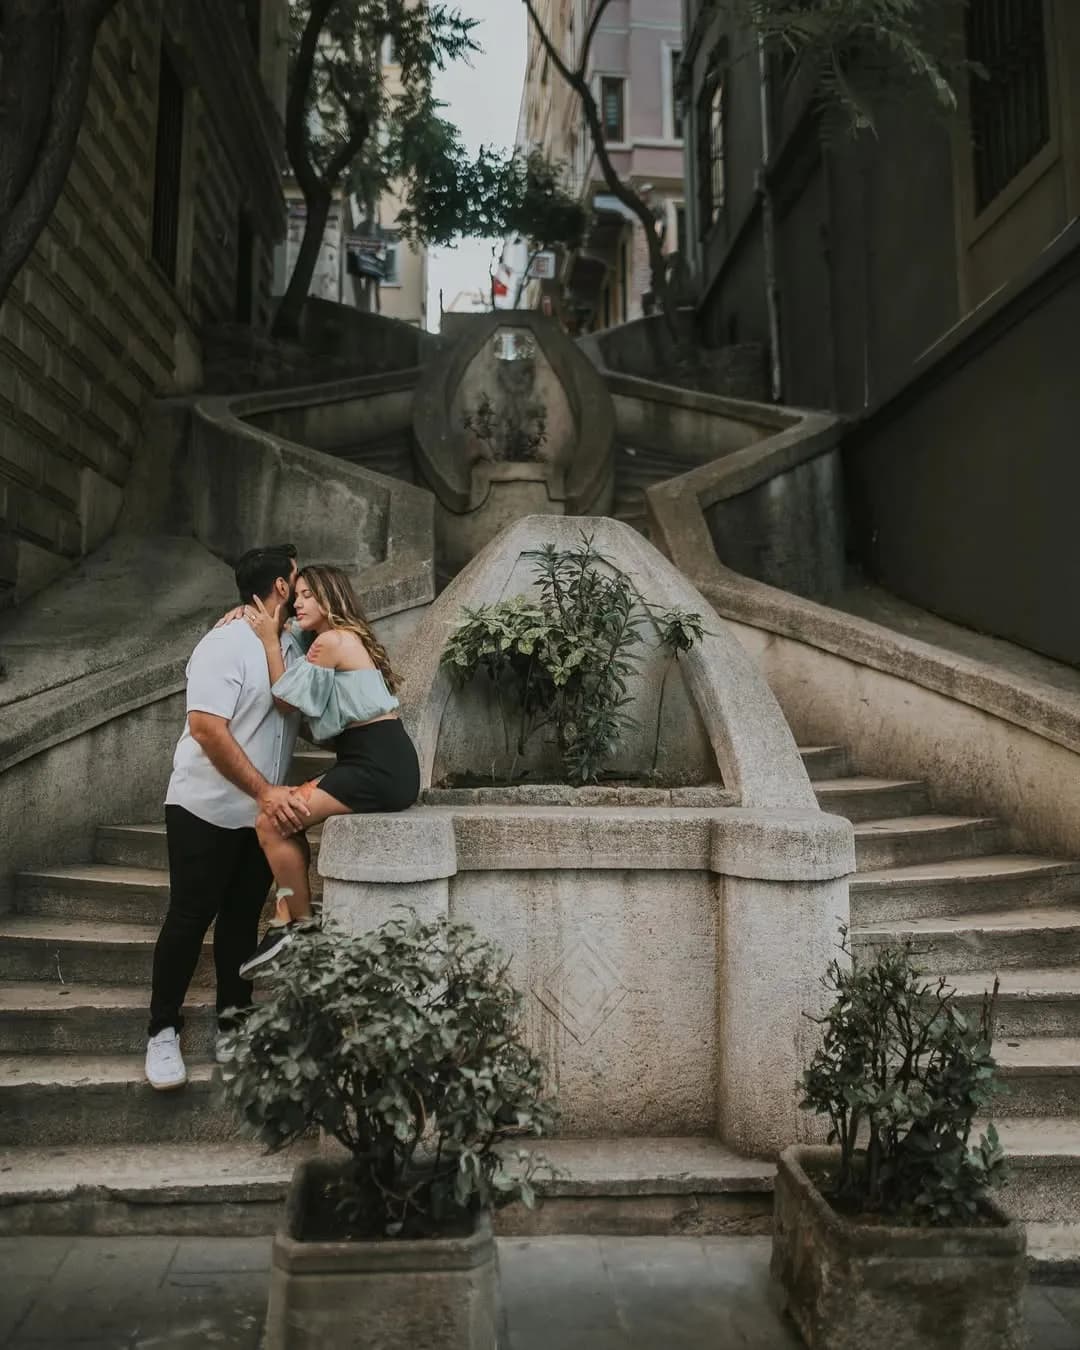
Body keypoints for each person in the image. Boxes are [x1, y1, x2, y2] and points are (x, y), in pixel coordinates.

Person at [144, 544, 308, 1091]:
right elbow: (207, 729)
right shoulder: (224, 642)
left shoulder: (290, 644)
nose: (301, 581)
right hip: (204, 807)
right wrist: (265, 791)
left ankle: (232, 1025)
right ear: (282, 587)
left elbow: (292, 708)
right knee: (191, 917)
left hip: (259, 818)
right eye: (296, 575)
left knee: (241, 920)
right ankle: (162, 1031)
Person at [235, 563, 420, 976]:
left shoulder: (333, 641)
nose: (298, 603)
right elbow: (295, 640)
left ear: (331, 598)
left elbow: (287, 701)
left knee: (269, 820)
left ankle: (298, 926)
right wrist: (244, 615)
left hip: (377, 765)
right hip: (376, 759)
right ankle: (290, 915)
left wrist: (268, 641)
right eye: (295, 595)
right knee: (283, 821)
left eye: (307, 596)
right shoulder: (335, 638)